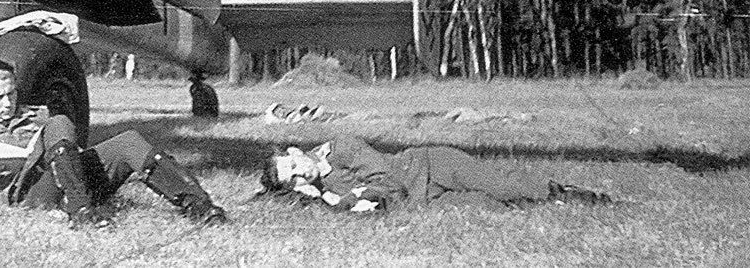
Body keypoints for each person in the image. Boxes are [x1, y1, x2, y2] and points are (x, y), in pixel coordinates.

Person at [0, 60, 225, 228]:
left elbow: (70, 151)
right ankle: (81, 211)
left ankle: (198, 205)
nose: (8, 103)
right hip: (31, 193)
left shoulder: (38, 116)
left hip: (70, 180)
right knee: (58, 123)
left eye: (12, 93)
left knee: (128, 141)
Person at [258, 135, 612, 212]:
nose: (298, 175)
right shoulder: (323, 189)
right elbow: (373, 200)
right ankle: (548, 207)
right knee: (486, 209)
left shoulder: (342, 148)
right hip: (421, 200)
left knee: (498, 185)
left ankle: (565, 193)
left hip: (429, 164)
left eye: (292, 167)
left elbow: (384, 180)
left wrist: (348, 198)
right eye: (292, 180)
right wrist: (319, 200)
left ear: (294, 152)